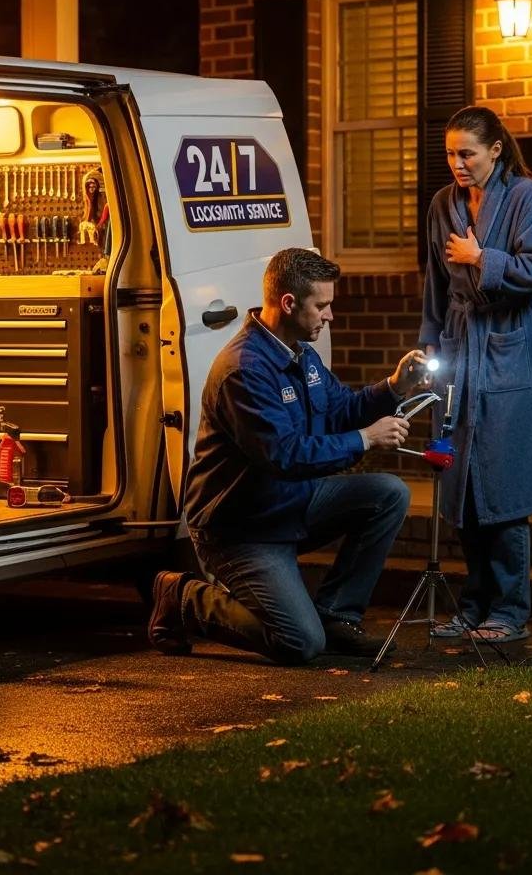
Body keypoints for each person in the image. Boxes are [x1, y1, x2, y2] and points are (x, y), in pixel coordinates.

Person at [148, 248, 431, 662]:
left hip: (289, 504)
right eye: (323, 305)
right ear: (289, 303)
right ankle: (182, 597)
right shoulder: (244, 370)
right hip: (241, 528)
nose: (329, 315)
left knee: (388, 494)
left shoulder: (301, 355)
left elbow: (339, 411)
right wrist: (366, 439)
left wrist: (393, 387)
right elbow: (284, 455)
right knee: (299, 642)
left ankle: (337, 616)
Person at [420, 105, 532, 645]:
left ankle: (510, 611)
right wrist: (429, 347)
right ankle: (473, 605)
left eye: (467, 153)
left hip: (508, 345)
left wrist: (483, 258)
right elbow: (433, 281)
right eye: (450, 153)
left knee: (503, 480)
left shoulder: (528, 197)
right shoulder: (443, 204)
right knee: (461, 481)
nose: (457, 163)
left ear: (495, 150)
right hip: (459, 346)